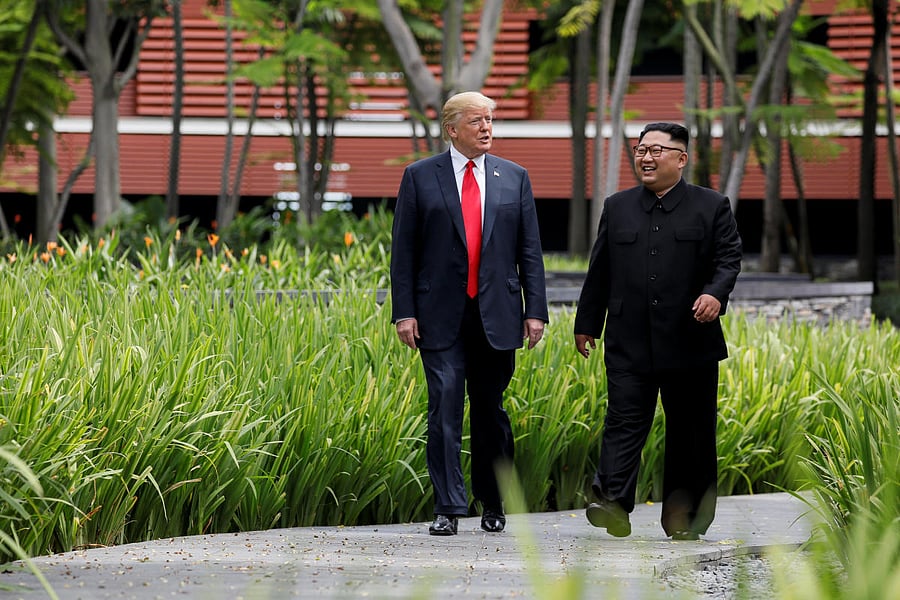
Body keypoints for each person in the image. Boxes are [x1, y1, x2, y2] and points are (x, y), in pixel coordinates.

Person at [573, 122, 742, 540]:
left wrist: (715, 294)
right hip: (629, 340)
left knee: (691, 432)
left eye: (656, 151)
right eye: (640, 149)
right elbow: (600, 271)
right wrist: (586, 323)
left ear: (681, 159)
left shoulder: (712, 205)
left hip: (690, 341)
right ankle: (610, 502)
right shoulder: (618, 206)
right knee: (624, 419)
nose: (645, 158)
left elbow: (728, 259)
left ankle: (685, 522)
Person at [390, 91, 549, 536]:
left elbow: (529, 251)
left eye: (491, 119)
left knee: (490, 411)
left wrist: (534, 311)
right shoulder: (420, 177)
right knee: (443, 407)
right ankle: (448, 506)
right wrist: (404, 312)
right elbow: (403, 252)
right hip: (439, 315)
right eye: (477, 120)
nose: (487, 128)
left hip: (497, 314)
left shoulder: (514, 177)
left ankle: (493, 500)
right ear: (453, 129)